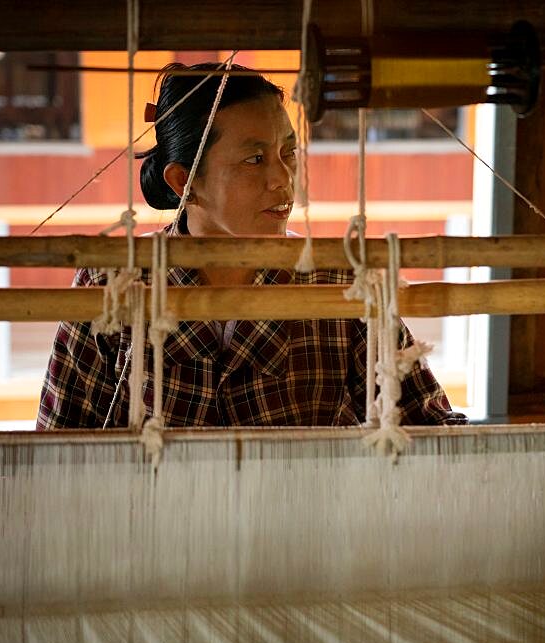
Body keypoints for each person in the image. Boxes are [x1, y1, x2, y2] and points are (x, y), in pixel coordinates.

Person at [37, 63, 467, 429]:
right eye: (254, 159)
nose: (283, 178)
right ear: (184, 181)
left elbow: (427, 426)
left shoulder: (341, 285)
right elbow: (58, 453)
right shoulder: (113, 285)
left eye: (289, 151)